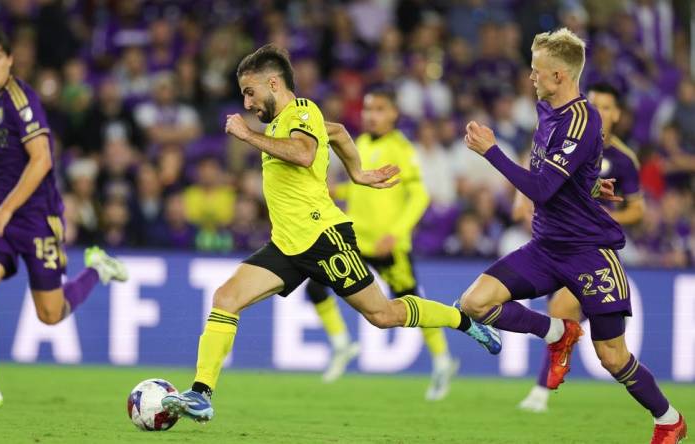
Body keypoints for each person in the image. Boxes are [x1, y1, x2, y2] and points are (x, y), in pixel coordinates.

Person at [161, 44, 501, 424]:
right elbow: (337, 133)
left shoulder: (302, 110)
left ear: (273, 83)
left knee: (384, 314)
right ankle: (201, 394)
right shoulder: (281, 122)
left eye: (250, 92)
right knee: (226, 297)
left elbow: (305, 153)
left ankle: (464, 320)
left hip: (323, 237)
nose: (247, 102)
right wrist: (356, 172)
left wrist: (248, 135)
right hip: (287, 244)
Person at [460, 28, 686, 443]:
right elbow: (561, 171)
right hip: (547, 246)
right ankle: (557, 332)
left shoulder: (583, 121)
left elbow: (544, 188)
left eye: (536, 71)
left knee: (612, 357)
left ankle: (668, 418)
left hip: (588, 252)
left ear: (559, 77)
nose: (530, 77)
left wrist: (491, 151)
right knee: (474, 303)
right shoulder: (546, 110)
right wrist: (588, 186)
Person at [0, 25, 128, 408]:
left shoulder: (20, 98)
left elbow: (41, 160)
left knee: (51, 313)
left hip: (36, 217)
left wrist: (7, 208)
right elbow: (5, 163)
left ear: (10, 59)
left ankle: (98, 269)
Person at [305, 89, 458, 400]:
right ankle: (341, 344)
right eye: (367, 109)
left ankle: (442, 361)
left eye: (379, 109)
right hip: (356, 241)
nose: (371, 115)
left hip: (389, 245)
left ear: (393, 114)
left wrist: (397, 232)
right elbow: (366, 190)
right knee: (315, 284)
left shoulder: (401, 148)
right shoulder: (359, 143)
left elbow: (420, 196)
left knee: (410, 302)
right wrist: (342, 192)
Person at [517, 82, 646, 413]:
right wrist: (523, 198)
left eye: (606, 106)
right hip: (556, 244)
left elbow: (637, 209)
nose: (599, 111)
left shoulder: (623, 160)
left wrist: (601, 213)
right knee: (563, 319)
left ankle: (540, 393)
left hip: (591, 250)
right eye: (595, 104)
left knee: (562, 312)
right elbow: (539, 164)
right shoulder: (571, 139)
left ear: (616, 115)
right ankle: (544, 388)